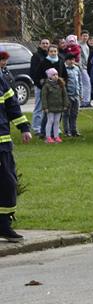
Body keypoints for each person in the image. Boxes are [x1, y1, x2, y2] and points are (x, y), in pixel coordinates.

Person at [0, 59, 31, 240]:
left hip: (3, 143)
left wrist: (24, 128)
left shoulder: (1, 81)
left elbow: (12, 105)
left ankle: (4, 224)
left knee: (7, 183)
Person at [29, 38, 51, 135]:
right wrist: (39, 84)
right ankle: (36, 127)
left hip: (50, 85)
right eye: (43, 43)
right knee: (39, 106)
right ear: (40, 45)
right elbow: (33, 72)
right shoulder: (36, 56)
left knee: (49, 107)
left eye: (47, 43)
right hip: (40, 85)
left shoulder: (50, 56)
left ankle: (46, 126)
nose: (45, 45)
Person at [41, 68, 67, 144]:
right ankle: (48, 136)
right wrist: (45, 107)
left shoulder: (61, 84)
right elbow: (44, 97)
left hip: (59, 106)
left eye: (56, 74)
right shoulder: (46, 86)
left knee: (57, 122)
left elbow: (64, 95)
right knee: (50, 121)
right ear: (49, 76)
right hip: (50, 107)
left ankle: (56, 136)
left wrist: (65, 104)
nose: (56, 76)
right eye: (53, 75)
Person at [63, 53, 81, 137]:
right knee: (67, 113)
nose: (71, 61)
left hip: (76, 94)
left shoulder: (77, 69)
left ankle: (74, 130)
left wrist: (80, 93)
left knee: (75, 113)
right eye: (70, 60)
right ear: (66, 60)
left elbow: (79, 81)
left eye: (73, 60)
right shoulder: (64, 69)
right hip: (68, 95)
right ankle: (67, 130)